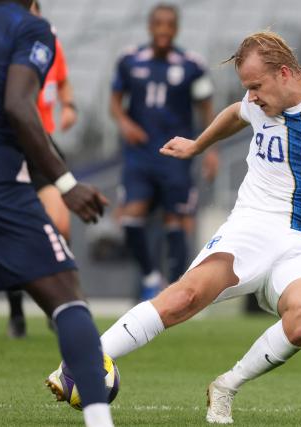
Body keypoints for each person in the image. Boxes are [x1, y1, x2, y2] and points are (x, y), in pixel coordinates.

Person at [52, 21, 301, 424]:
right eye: (248, 88)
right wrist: (198, 144)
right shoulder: (257, 103)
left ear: (285, 73)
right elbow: (234, 114)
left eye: (256, 86)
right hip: (251, 227)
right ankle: (79, 363)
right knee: (185, 297)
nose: (251, 97)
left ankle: (226, 385)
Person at [0, 1, 113, 426]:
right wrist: (67, 184)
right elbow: (19, 107)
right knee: (67, 297)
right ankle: (99, 421)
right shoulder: (32, 27)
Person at [110, 4, 218, 301]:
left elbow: (206, 109)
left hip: (176, 156)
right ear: (150, 26)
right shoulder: (130, 60)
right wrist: (124, 122)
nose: (163, 30)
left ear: (176, 28)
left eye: (169, 25)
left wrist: (210, 150)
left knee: (177, 220)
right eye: (158, 24)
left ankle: (175, 289)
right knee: (131, 215)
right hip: (139, 155)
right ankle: (149, 276)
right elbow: (115, 102)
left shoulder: (191, 65)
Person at [5, 0, 79, 339]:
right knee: (10, 232)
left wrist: (69, 106)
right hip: (8, 144)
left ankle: (58, 305)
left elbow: (62, 81)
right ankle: (16, 310)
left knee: (61, 223)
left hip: (42, 144)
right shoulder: (1, 41)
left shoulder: (49, 41)